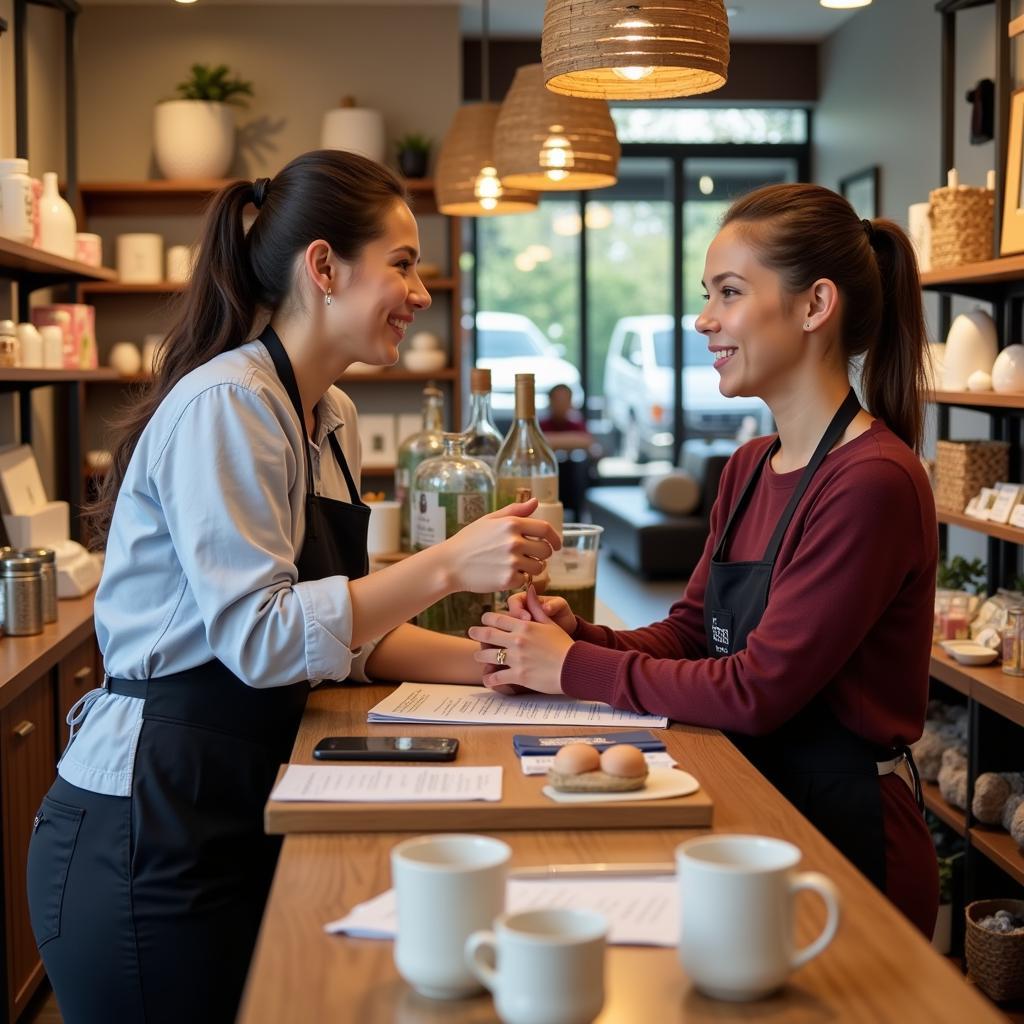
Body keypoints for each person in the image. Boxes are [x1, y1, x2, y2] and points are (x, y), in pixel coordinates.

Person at [27, 150, 558, 1024]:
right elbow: (266, 637)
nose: (421, 291)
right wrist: (447, 565)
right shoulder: (228, 405)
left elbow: (347, 630)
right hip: (144, 823)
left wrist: (512, 662)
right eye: (402, 262)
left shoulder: (326, 414)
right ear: (323, 267)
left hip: (237, 794)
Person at [470, 182, 939, 937]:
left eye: (728, 292)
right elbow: (693, 633)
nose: (703, 319)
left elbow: (757, 690)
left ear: (816, 306)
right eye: (707, 294)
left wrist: (567, 669)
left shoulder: (872, 482)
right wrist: (579, 637)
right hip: (753, 804)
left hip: (846, 841)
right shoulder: (752, 464)